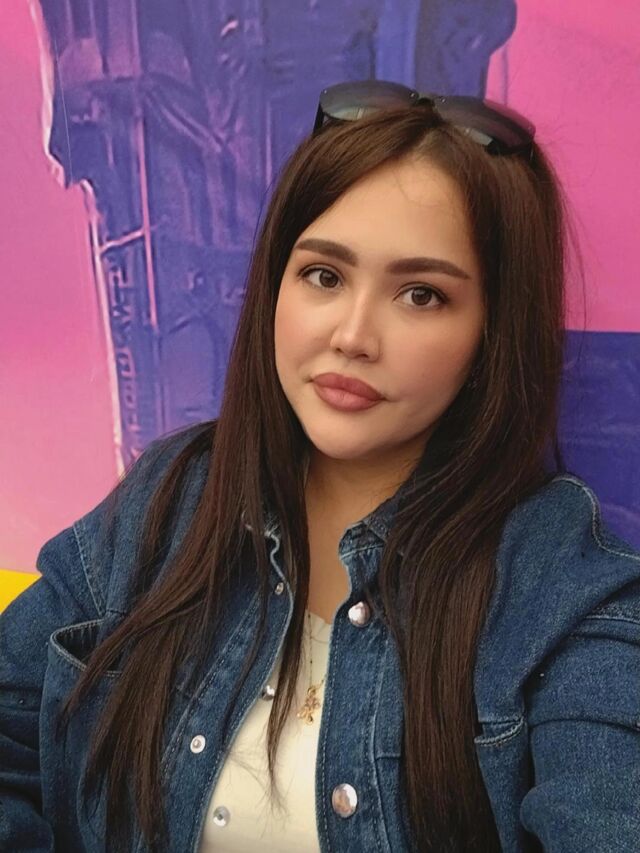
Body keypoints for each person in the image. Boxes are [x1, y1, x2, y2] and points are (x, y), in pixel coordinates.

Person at [1, 80, 639, 853]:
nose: (353, 335)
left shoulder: (562, 591)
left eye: (421, 294)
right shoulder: (170, 499)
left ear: (491, 333)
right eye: (325, 276)